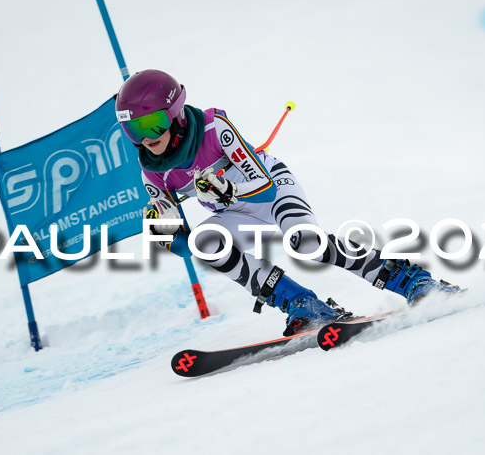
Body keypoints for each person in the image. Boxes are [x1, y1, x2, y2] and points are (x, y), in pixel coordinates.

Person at [116, 69, 460, 336]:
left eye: (154, 123)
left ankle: (410, 280)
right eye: (134, 130)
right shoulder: (154, 173)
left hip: (272, 187)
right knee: (205, 244)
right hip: (235, 211)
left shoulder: (213, 128)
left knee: (306, 242)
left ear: (174, 115)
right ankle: (303, 305)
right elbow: (184, 248)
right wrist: (166, 232)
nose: (147, 139)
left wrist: (229, 191)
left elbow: (264, 188)